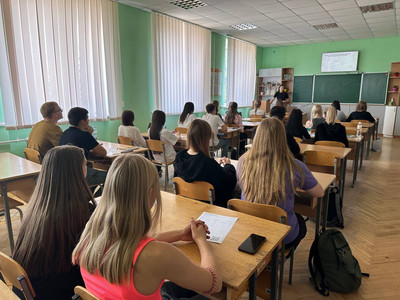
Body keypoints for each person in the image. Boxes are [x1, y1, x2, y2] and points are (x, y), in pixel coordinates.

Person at [72, 154, 222, 299]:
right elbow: (214, 284)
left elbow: (135, 245)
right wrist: (201, 241)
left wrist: (179, 235)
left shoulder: (90, 233)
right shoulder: (157, 255)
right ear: (150, 194)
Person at [13, 146, 95, 300]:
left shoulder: (36, 208)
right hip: (64, 293)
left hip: (34, 291)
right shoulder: (83, 214)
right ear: (76, 171)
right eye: (85, 164)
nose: (87, 168)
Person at [237, 118, 324, 249]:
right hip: (281, 235)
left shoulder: (243, 161)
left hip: (248, 229)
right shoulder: (294, 166)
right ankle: (280, 258)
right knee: (300, 222)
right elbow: (319, 192)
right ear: (282, 138)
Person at [174, 119, 237, 207]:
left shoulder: (179, 157)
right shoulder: (208, 163)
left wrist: (216, 167)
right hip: (209, 207)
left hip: (187, 203)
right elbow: (229, 183)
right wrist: (228, 166)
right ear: (206, 139)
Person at [59, 107, 107, 186]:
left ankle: (90, 195)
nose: (88, 121)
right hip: (79, 172)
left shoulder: (65, 133)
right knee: (110, 177)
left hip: (65, 173)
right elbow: (103, 152)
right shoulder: (84, 135)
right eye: (87, 118)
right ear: (82, 121)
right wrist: (89, 135)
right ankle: (99, 197)